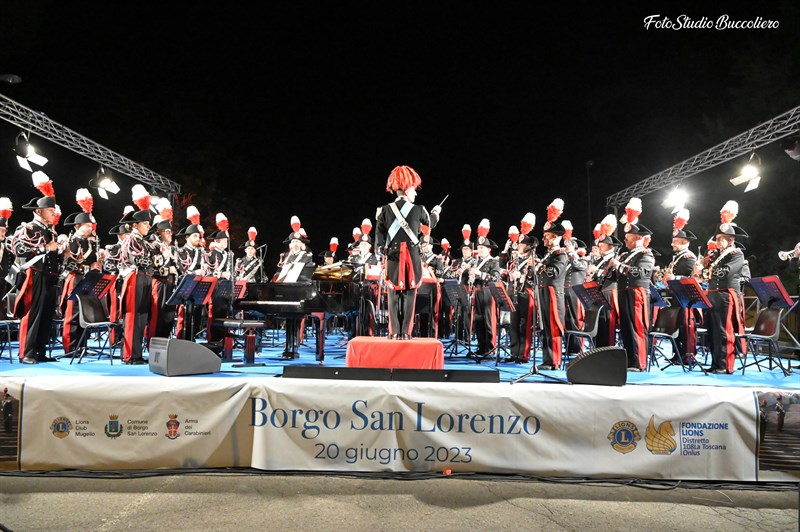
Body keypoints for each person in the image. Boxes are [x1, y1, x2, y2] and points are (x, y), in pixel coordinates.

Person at [375, 165, 441, 340]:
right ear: (407, 188)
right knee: (410, 294)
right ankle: (406, 332)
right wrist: (436, 211)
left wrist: (382, 253)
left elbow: (379, 241)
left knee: (393, 294)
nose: (416, 193)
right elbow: (431, 223)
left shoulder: (384, 210)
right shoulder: (419, 210)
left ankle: (394, 331)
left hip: (393, 257)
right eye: (414, 189)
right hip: (412, 257)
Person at [11, 190, 64, 364]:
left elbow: (53, 256)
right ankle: (26, 353)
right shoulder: (27, 228)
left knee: (46, 316)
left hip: (50, 277)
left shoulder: (52, 232)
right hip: (34, 275)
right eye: (50, 210)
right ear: (38, 211)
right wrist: (46, 248)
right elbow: (19, 250)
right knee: (32, 314)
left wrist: (63, 254)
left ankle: (40, 351)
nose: (53, 213)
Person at [704, 201, 748, 374]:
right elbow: (710, 272)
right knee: (713, 330)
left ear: (731, 240)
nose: (718, 241)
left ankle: (724, 364)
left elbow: (726, 273)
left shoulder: (736, 253)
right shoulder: (717, 256)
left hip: (726, 294)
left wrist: (709, 269)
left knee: (724, 330)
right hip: (714, 293)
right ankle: (715, 362)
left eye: (722, 238)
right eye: (717, 238)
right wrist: (706, 264)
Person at [609, 222, 655, 371]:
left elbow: (641, 272)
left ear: (637, 238)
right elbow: (616, 275)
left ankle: (639, 361)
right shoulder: (625, 255)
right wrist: (609, 270)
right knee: (626, 327)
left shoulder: (646, 254)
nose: (625, 240)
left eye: (628, 237)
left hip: (637, 293)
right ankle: (629, 359)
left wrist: (619, 266)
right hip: (623, 292)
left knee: (637, 327)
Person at [59, 198, 102, 356]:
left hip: (88, 279)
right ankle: (70, 348)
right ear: (78, 226)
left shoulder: (90, 242)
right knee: (73, 313)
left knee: (85, 312)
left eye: (91, 225)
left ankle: (82, 346)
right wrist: (89, 267)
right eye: (87, 225)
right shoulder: (70, 242)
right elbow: (68, 265)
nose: (91, 228)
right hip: (75, 279)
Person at [117, 202, 157, 364]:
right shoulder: (130, 240)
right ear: (135, 225)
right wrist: (153, 258)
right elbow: (139, 259)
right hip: (135, 277)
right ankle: (130, 355)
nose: (148, 227)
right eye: (145, 224)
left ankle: (137, 353)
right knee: (133, 316)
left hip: (145, 277)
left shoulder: (143, 241)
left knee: (142, 316)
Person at [661, 209, 698, 365]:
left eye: (675, 241)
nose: (672, 243)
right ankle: (677, 354)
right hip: (676, 296)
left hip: (685, 298)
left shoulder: (689, 257)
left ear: (684, 242)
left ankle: (687, 356)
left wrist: (674, 278)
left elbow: (691, 278)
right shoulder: (677, 258)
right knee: (677, 327)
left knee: (686, 328)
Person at [274, 230, 315, 358]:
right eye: (293, 242)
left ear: (301, 244)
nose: (295, 244)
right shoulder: (286, 256)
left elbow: (308, 275)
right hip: (286, 288)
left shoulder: (307, 256)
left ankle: (293, 345)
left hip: (299, 289)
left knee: (296, 316)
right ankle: (290, 344)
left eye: (297, 241)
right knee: (287, 315)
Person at [536, 222, 568, 370]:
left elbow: (553, 272)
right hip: (544, 292)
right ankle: (547, 359)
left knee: (553, 327)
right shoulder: (549, 255)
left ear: (555, 237)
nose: (544, 240)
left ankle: (554, 361)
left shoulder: (561, 254)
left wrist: (539, 265)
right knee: (545, 327)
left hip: (553, 293)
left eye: (546, 236)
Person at [468, 225, 502, 358]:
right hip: (477, 290)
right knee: (478, 320)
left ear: (488, 249)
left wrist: (480, 274)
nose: (479, 250)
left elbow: (495, 278)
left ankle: (491, 348)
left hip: (488, 292)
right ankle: (481, 346)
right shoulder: (476, 262)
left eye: (482, 248)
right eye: (479, 248)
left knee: (488, 320)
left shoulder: (494, 262)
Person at [503, 232, 538, 363]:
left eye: (521, 244)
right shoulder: (515, 260)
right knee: (514, 324)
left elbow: (534, 278)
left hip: (526, 294)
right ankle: (514, 352)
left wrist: (523, 276)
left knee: (524, 325)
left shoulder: (534, 260)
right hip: (514, 293)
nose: (518, 246)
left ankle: (523, 354)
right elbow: (503, 266)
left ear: (528, 246)